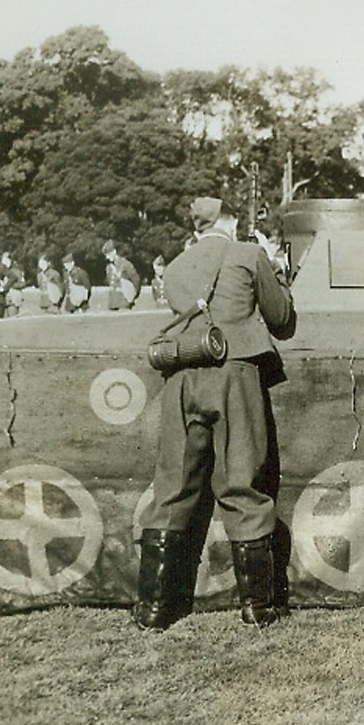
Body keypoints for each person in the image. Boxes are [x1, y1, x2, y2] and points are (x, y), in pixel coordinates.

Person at [133, 195, 296, 631]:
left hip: (183, 375)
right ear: (230, 220)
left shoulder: (176, 266)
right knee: (243, 482)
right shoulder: (248, 254)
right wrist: (277, 268)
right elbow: (281, 319)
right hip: (234, 375)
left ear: (199, 226)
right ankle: (257, 608)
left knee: (172, 487)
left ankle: (153, 609)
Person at [103, 240, 140, 311]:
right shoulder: (109, 267)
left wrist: (134, 296)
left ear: (114, 252)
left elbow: (136, 280)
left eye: (108, 254)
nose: (107, 257)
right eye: (106, 255)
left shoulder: (125, 264)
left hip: (124, 301)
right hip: (113, 303)